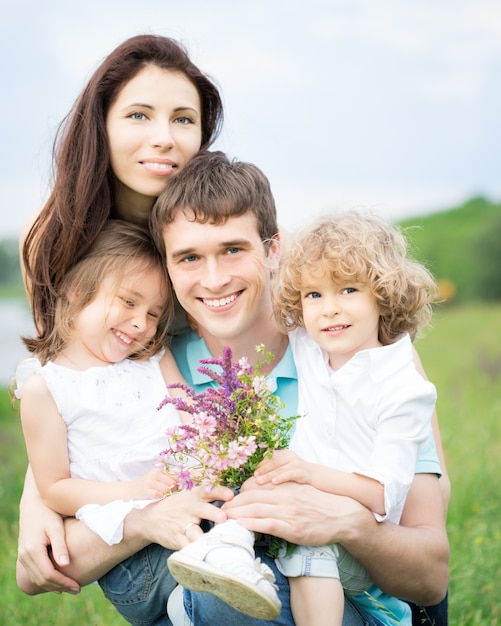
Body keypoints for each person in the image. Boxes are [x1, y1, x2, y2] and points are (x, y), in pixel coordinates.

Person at [17, 152, 449, 625]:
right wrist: (118, 512)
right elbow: (43, 568)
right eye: (189, 257)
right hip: (227, 590)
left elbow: (431, 577)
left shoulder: (353, 354)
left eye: (233, 249)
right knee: (216, 591)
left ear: (273, 249)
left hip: (349, 602)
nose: (215, 278)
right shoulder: (151, 367)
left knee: (223, 594)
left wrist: (347, 522)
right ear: (168, 266)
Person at [17, 31, 225, 602]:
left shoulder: (214, 225)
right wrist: (35, 496)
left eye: (184, 119)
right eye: (139, 114)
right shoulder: (54, 240)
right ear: (101, 124)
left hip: (205, 436)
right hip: (130, 484)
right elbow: (61, 369)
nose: (164, 138)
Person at [250, 211, 438, 626]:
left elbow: (382, 494)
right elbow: (266, 295)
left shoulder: (403, 387)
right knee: (243, 504)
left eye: (348, 289)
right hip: (301, 512)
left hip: (358, 548)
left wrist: (307, 473)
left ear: (383, 295)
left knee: (308, 545)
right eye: (314, 295)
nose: (329, 310)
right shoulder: (309, 348)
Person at [15, 220, 194, 619]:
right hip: (129, 558)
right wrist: (134, 488)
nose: (141, 324)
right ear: (78, 291)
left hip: (187, 509)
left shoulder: (154, 361)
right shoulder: (46, 388)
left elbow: (192, 417)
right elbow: (56, 489)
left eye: (153, 313)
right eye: (129, 302)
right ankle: (190, 604)